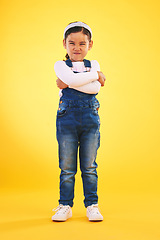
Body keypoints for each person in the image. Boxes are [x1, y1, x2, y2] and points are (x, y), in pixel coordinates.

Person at [52, 21, 106, 222]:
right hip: (67, 120)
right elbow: (86, 83)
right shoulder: (60, 65)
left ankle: (92, 205)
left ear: (90, 45)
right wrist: (96, 77)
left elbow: (95, 89)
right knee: (67, 166)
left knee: (89, 166)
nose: (76, 48)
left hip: (90, 118)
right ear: (64, 43)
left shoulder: (94, 64)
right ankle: (65, 205)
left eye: (82, 44)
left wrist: (72, 82)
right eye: (72, 43)